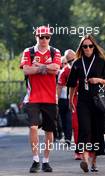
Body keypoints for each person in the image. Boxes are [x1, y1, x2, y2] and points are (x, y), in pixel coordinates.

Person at [67, 35, 105, 173]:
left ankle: (94, 162)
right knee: (85, 129)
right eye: (84, 46)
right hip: (83, 101)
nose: (87, 49)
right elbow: (72, 85)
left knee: (97, 131)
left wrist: (98, 80)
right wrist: (70, 100)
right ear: (81, 48)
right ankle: (85, 160)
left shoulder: (101, 61)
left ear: (94, 47)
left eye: (90, 46)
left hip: (98, 100)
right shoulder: (77, 63)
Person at [20, 26, 61, 173]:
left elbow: (56, 68)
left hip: (50, 97)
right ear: (35, 36)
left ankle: (46, 160)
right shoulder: (28, 51)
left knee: (49, 131)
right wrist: (45, 68)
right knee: (33, 127)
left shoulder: (55, 51)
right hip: (33, 97)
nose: (44, 40)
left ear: (50, 38)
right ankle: (35, 159)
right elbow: (26, 70)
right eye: (41, 37)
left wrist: (38, 66)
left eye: (47, 37)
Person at [57, 49, 82, 160]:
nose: (72, 61)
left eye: (73, 58)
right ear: (66, 60)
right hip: (75, 100)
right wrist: (55, 103)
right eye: (69, 60)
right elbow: (59, 87)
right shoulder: (65, 71)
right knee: (76, 125)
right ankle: (78, 151)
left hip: (88, 99)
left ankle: (90, 148)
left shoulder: (84, 65)